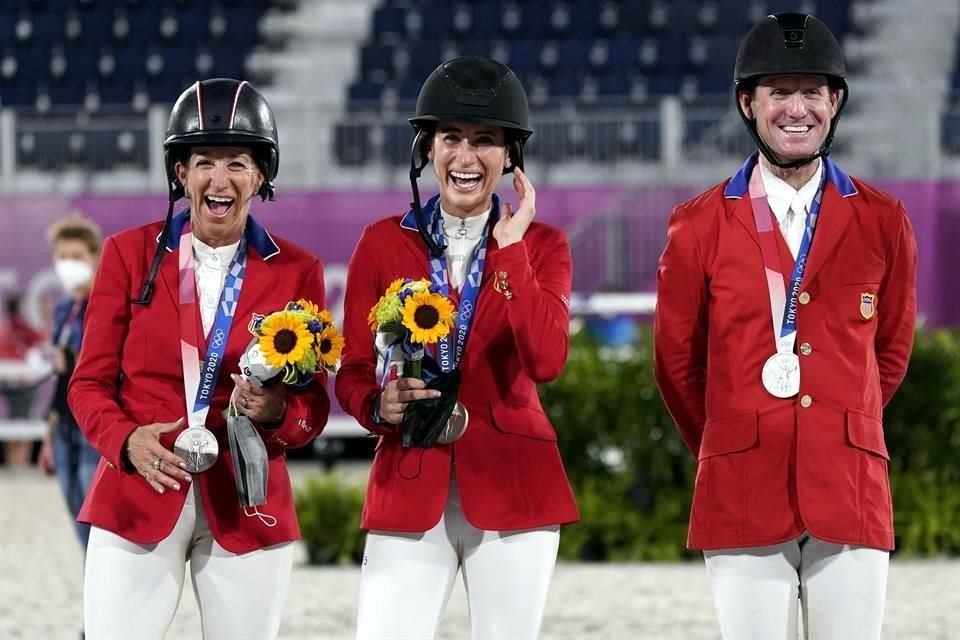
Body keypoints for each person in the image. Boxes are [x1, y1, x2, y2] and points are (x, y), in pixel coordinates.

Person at [653, 13, 917, 640]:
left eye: (811, 92)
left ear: (835, 102)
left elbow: (891, 352)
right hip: (741, 484)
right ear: (749, 104)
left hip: (849, 484)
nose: (797, 109)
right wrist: (731, 438)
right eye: (779, 92)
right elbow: (676, 363)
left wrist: (837, 428)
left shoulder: (884, 220)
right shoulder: (697, 225)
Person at [67, 78, 330, 640]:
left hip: (247, 500)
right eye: (204, 161)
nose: (220, 179)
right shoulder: (126, 254)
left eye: (237, 163)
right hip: (140, 486)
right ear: (181, 173)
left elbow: (312, 407)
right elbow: (86, 385)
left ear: (260, 176)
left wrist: (277, 410)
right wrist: (125, 441)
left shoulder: (298, 270)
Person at [336, 56, 579, 639]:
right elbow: (353, 369)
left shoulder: (543, 245)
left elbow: (547, 360)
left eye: (485, 140)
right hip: (408, 473)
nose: (466, 157)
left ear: (510, 156)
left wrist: (511, 250)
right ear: (428, 147)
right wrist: (376, 405)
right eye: (451, 137)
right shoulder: (380, 243)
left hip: (515, 480)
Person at [36, 214, 103, 550]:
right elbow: (60, 376)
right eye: (62, 257)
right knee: (74, 507)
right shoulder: (64, 308)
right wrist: (49, 434)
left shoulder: (105, 303)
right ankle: (89, 570)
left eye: (76, 256)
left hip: (94, 423)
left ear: (94, 257)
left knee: (96, 512)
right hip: (65, 421)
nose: (68, 264)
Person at [0, 294, 46, 466]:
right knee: (24, 421)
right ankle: (21, 463)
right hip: (24, 384)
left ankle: (14, 462)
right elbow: (42, 338)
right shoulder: (21, 327)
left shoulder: (4, 329)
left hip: (11, 383)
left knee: (15, 420)